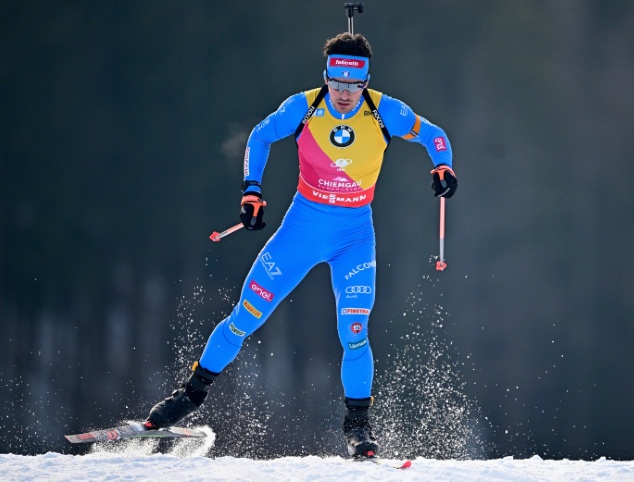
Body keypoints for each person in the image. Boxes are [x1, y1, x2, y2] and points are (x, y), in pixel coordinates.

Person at [144, 32, 457, 458]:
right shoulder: (304, 106)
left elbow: (434, 134)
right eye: (337, 83)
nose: (345, 95)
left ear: (366, 81)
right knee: (245, 318)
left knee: (354, 332)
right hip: (300, 231)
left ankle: (358, 428)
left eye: (354, 85)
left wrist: (443, 166)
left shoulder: (384, 110)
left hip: (354, 239)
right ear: (326, 76)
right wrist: (251, 191)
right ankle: (188, 397)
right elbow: (258, 135)